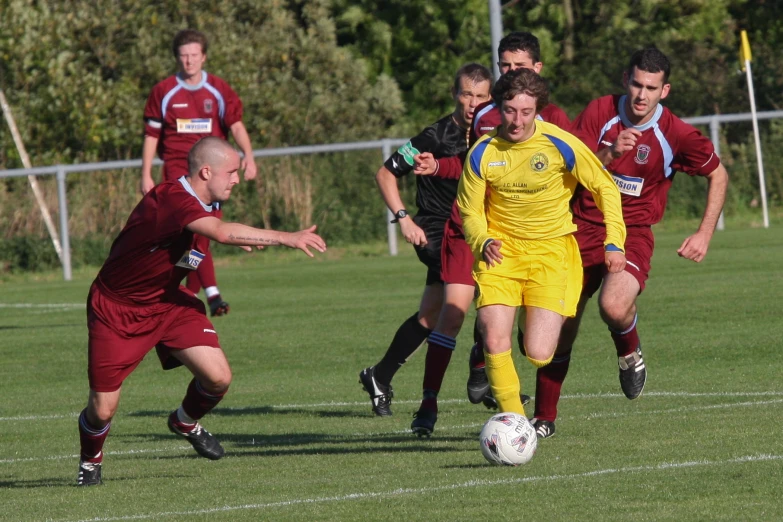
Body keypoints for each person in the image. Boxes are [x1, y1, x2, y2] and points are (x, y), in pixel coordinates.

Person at [77, 137, 326, 486]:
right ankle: (90, 461)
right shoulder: (173, 199)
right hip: (118, 310)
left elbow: (209, 241)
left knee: (218, 377)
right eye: (232, 172)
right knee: (102, 408)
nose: (237, 179)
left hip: (167, 303)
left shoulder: (207, 204)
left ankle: (184, 421)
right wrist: (286, 237)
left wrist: (245, 241)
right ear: (206, 172)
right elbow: (222, 234)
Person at [529, 47, 729, 439]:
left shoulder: (676, 133)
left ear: (664, 90)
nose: (641, 94)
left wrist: (704, 232)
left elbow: (718, 174)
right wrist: (607, 153)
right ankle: (543, 419)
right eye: (636, 84)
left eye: (651, 88)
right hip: (583, 226)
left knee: (614, 304)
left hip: (633, 232)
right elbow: (567, 167)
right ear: (626, 79)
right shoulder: (598, 111)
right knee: (562, 325)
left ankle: (629, 351)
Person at [407, 31, 571, 437]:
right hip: (477, 232)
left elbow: (582, 169)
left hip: (538, 242)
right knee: (452, 313)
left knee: (530, 337)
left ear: (537, 69)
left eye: (519, 66)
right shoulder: (484, 117)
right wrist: (438, 168)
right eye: (505, 65)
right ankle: (430, 403)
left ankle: (487, 359)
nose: (510, 73)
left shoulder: (557, 120)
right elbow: (472, 165)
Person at [457, 68, 627, 418]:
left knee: (539, 353)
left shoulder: (559, 143)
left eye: (526, 112)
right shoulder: (483, 152)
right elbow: (469, 210)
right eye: (509, 111)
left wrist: (615, 241)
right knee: (493, 339)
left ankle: (526, 320)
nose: (516, 121)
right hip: (500, 254)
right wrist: (482, 238)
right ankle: (513, 422)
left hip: (551, 255)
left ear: (538, 111)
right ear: (498, 108)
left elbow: (604, 186)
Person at [358, 63, 492, 418]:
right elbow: (385, 173)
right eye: (466, 94)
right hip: (434, 231)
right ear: (454, 95)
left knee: (432, 314)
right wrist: (403, 219)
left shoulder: (488, 134)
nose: (472, 104)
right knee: (480, 297)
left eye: (480, 97)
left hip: (470, 231)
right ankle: (483, 378)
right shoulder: (434, 135)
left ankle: (379, 376)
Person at [141, 29, 258, 317]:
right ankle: (207, 294)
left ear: (203, 57)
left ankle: (186, 293)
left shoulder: (218, 90)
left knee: (199, 240)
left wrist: (249, 156)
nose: (189, 60)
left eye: (194, 55)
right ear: (177, 58)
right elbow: (151, 136)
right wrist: (145, 173)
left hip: (214, 176)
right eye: (183, 55)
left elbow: (237, 126)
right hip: (178, 175)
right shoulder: (164, 91)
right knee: (196, 235)